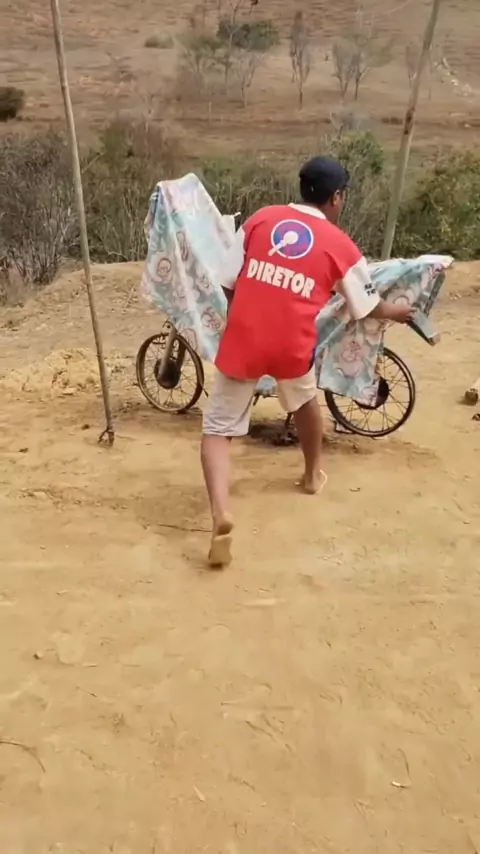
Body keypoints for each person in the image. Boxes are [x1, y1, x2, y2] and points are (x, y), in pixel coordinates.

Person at [201, 155, 414, 568]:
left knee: (217, 430)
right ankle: (312, 474)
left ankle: (220, 514)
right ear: (336, 198)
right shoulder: (340, 245)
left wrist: (245, 316)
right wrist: (397, 312)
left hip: (245, 335)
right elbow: (367, 306)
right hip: (292, 343)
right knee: (303, 400)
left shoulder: (261, 219)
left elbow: (227, 281)